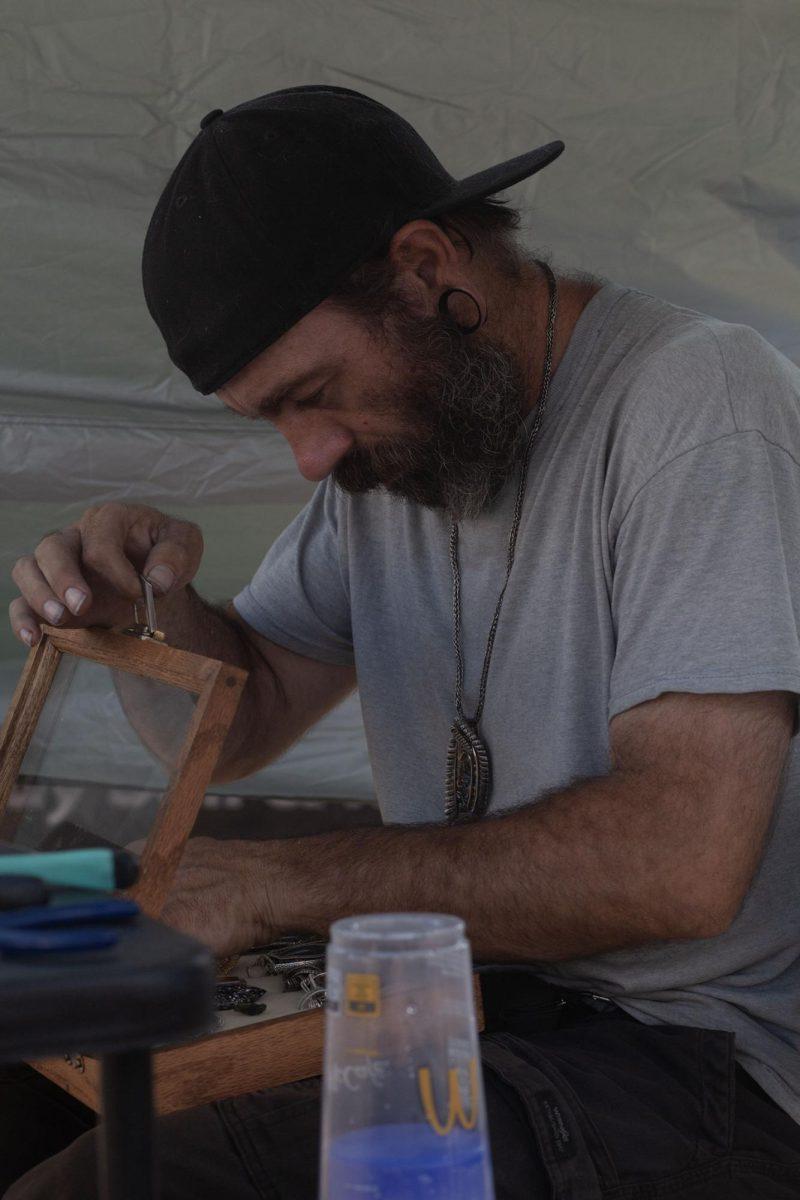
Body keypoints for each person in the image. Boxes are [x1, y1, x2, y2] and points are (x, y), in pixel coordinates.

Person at [4, 85, 800, 1199]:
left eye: (312, 395)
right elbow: (245, 715)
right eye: (272, 419)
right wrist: (148, 609)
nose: (308, 456)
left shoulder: (693, 402)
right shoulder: (397, 456)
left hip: (686, 1059)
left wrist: (272, 885)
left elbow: (680, 866)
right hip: (456, 993)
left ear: (425, 266)